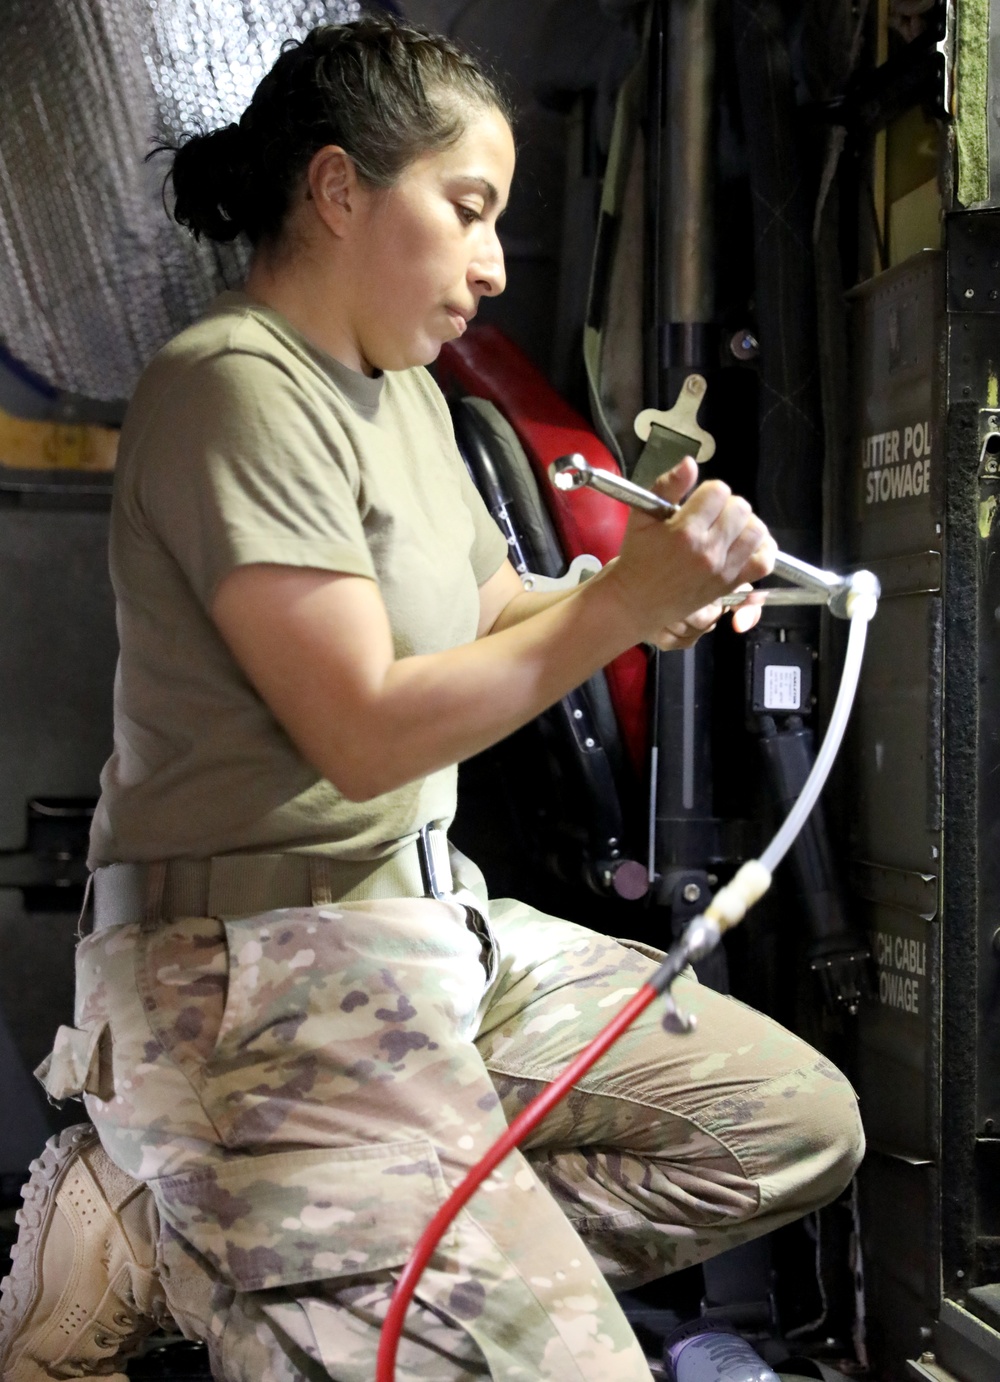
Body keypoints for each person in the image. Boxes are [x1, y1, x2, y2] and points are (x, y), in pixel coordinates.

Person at [0, 16, 864, 1382]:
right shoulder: (231, 392)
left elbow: (487, 610)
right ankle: (189, 1234)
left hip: (421, 929)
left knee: (788, 1121)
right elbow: (361, 730)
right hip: (248, 978)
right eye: (467, 209)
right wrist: (619, 607)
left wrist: (640, 583)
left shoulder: (397, 391)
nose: (495, 260)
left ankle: (253, 1240)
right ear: (342, 191)